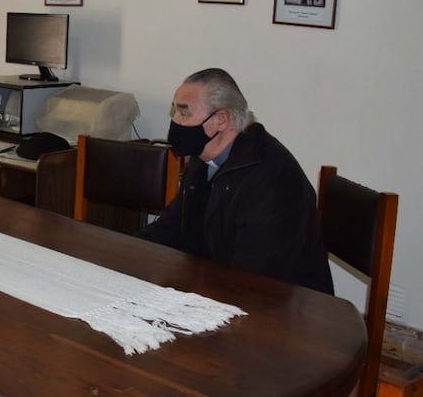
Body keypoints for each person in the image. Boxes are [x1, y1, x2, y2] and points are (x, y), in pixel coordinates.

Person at [142, 68, 334, 293]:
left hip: (286, 309)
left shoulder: (273, 179)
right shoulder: (204, 159)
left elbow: (255, 278)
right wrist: (126, 252)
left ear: (221, 120)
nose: (174, 122)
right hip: (220, 284)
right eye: (174, 111)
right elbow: (172, 227)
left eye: (184, 114)